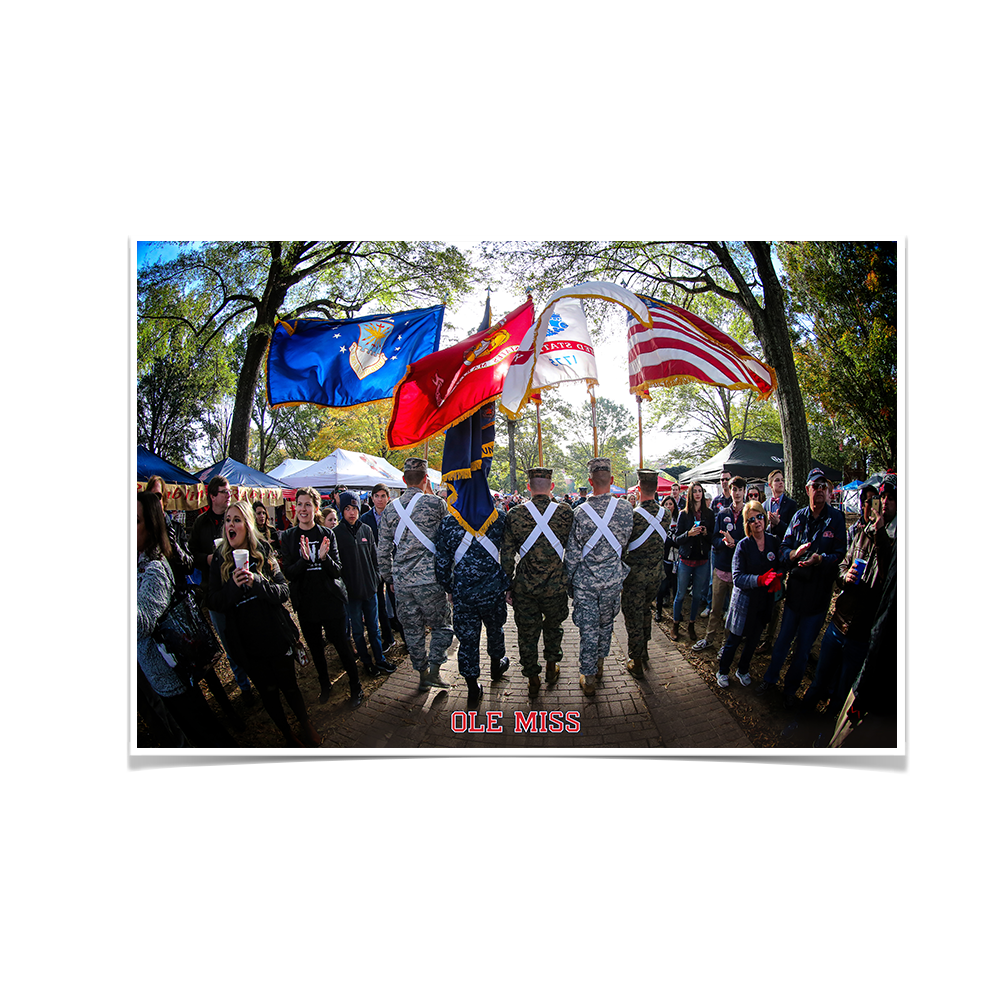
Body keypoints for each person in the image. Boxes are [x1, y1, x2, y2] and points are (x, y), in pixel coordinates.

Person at [208, 501, 321, 747]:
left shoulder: (262, 551)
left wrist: (257, 582)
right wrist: (233, 587)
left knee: (289, 686)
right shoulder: (219, 559)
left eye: (237, 520)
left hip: (275, 634)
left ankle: (305, 723)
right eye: (227, 520)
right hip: (246, 643)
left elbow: (283, 592)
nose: (230, 525)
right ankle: (287, 734)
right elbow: (214, 601)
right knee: (268, 692)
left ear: (247, 525)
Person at [137, 492, 236, 748]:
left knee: (206, 734)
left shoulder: (154, 569)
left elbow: (141, 625)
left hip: (173, 670)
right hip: (157, 674)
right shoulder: (136, 562)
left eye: (135, 520)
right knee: (195, 732)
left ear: (151, 526)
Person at [801, 475, 896, 715]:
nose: (883, 503)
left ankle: (827, 728)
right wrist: (846, 575)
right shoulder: (862, 533)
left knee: (842, 690)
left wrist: (880, 532)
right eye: (880, 498)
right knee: (820, 678)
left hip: (862, 633)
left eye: (890, 498)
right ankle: (801, 718)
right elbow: (842, 565)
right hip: (838, 622)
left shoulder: (894, 543)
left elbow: (887, 580)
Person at [756, 469, 847, 708]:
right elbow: (784, 547)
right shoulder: (798, 517)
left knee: (803, 649)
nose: (819, 490)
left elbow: (840, 555)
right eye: (815, 486)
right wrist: (794, 554)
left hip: (818, 597)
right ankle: (770, 680)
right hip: (795, 594)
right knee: (783, 641)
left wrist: (821, 559)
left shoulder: (836, 519)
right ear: (807, 490)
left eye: (823, 486)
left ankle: (790, 690)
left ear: (828, 491)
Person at [280, 487, 363, 708]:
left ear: (316, 508)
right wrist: (304, 560)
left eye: (308, 504)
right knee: (316, 649)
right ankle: (325, 684)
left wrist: (324, 559)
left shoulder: (327, 534)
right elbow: (289, 573)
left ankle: (356, 686)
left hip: (331, 601)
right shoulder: (289, 537)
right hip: (306, 604)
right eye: (299, 504)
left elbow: (337, 571)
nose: (303, 509)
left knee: (342, 646)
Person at [377, 458, 453, 692]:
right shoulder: (436, 504)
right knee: (442, 626)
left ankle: (422, 674)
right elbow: (447, 540)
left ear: (403, 479)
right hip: (431, 580)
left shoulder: (390, 509)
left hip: (402, 582)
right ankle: (435, 671)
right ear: (425, 479)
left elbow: (383, 550)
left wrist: (389, 578)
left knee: (412, 630)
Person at [500, 467, 574, 698]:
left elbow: (507, 555)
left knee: (527, 634)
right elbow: (572, 549)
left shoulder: (515, 514)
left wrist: (507, 585)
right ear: (551, 486)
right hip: (555, 586)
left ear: (528, 487)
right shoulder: (565, 512)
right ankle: (552, 667)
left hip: (525, 587)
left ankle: (532, 678)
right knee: (554, 627)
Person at [564, 457, 634, 696]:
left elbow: (573, 555)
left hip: (586, 583)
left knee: (588, 629)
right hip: (613, 580)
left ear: (590, 481)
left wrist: (569, 583)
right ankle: (601, 664)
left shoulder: (580, 513)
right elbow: (625, 544)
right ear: (612, 480)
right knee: (606, 625)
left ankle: (589, 676)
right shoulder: (626, 509)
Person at [435, 502, 510, 707]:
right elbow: (509, 553)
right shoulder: (498, 518)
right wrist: (508, 583)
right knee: (495, 629)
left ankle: (472, 689)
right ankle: (496, 666)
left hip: (464, 593)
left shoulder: (449, 522)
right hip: (493, 591)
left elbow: (441, 563)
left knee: (467, 641)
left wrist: (449, 588)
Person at [187, 476, 255, 703]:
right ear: (213, 496)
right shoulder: (201, 523)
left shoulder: (236, 517)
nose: (228, 495)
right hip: (216, 591)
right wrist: (207, 559)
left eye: (229, 491)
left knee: (249, 634)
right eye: (224, 492)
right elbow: (190, 555)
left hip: (242, 585)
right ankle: (244, 687)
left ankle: (260, 676)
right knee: (229, 641)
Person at [714, 501, 783, 688]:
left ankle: (743, 669)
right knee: (734, 640)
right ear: (747, 524)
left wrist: (778, 577)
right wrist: (759, 580)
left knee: (753, 640)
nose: (757, 522)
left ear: (765, 518)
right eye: (751, 520)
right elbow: (738, 578)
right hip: (744, 603)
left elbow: (780, 565)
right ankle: (723, 670)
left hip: (764, 602)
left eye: (759, 517)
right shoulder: (743, 546)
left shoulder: (773, 541)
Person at [333, 490, 393, 678]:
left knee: (374, 629)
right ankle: (367, 663)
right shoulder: (336, 534)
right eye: (347, 509)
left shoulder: (366, 530)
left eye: (354, 508)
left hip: (370, 590)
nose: (351, 512)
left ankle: (380, 659)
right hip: (351, 594)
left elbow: (375, 558)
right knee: (358, 631)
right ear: (342, 510)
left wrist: (376, 579)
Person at [621, 470, 668, 678]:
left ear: (638, 489)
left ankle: (636, 661)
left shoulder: (632, 517)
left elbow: (623, 547)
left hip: (635, 578)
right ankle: (645, 649)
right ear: (656, 488)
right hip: (656, 576)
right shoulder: (666, 514)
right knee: (646, 611)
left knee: (633, 617)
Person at [694, 475, 747, 652]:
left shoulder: (749, 514)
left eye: (740, 489)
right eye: (734, 489)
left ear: (744, 491)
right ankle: (708, 638)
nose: (737, 493)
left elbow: (751, 541)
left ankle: (726, 644)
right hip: (721, 568)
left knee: (733, 611)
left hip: (739, 571)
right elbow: (714, 538)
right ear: (729, 491)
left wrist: (735, 543)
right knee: (715, 609)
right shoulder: (723, 513)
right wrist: (724, 542)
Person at [757, 468, 798, 654]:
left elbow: (793, 532)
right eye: (777, 480)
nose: (781, 483)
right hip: (765, 557)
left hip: (781, 559)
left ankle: (769, 639)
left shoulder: (791, 505)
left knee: (776, 599)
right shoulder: (764, 505)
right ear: (770, 485)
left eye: (782, 480)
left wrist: (778, 524)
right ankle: (758, 632)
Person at [670, 481, 715, 643]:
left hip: (702, 560)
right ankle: (675, 625)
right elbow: (676, 538)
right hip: (686, 559)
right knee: (680, 594)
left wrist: (705, 533)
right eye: (695, 491)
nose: (697, 494)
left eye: (700, 491)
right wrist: (688, 534)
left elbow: (713, 538)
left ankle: (691, 624)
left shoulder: (709, 514)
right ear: (690, 494)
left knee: (697, 595)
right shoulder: (684, 514)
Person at [360, 483, 403, 651]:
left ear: (388, 497)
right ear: (372, 498)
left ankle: (405, 637)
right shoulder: (365, 519)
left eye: (383, 496)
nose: (379, 499)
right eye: (376, 496)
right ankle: (388, 637)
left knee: (397, 601)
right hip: (374, 567)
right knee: (380, 604)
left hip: (393, 564)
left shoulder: (396, 516)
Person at [654, 494, 681, 622]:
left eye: (671, 504)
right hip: (664, 558)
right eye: (666, 504)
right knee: (662, 587)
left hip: (676, 558)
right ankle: (658, 611)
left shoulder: (679, 519)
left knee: (676, 587)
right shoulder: (660, 519)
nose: (669, 506)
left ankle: (677, 612)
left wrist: (674, 541)